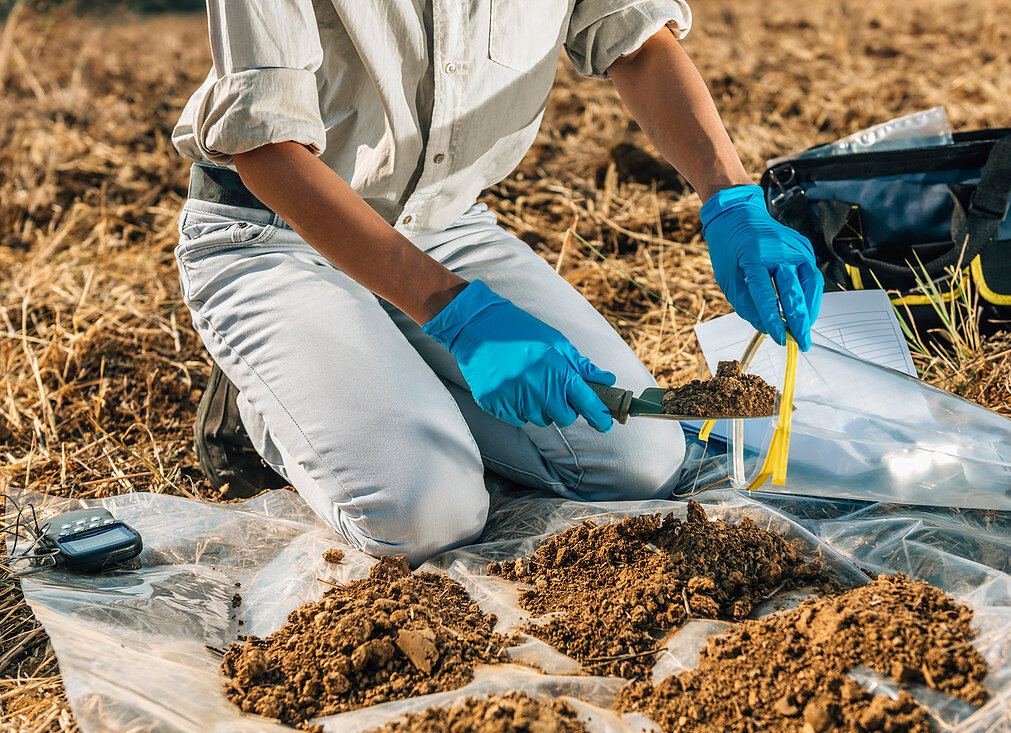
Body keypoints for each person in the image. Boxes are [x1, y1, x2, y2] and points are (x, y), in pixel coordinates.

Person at [172, 0, 823, 565]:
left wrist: (732, 200)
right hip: (279, 233)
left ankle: (384, 375)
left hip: (443, 226)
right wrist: (459, 313)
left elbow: (638, 39)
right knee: (426, 516)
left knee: (640, 461)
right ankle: (263, 399)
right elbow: (265, 149)